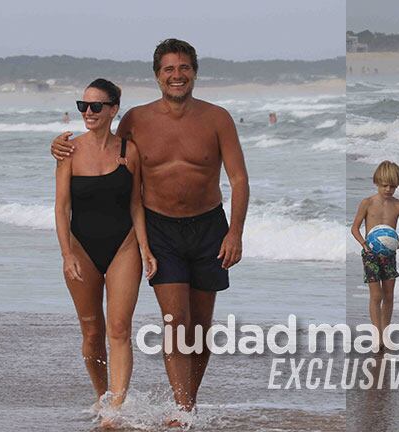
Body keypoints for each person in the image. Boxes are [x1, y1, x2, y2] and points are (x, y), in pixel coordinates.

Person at [51, 39, 249, 424]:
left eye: (184, 68)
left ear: (195, 71)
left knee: (200, 328)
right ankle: (181, 410)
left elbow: (239, 180)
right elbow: (102, 147)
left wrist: (235, 233)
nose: (177, 75)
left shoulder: (217, 118)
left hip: (210, 226)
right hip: (160, 228)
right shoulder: (137, 121)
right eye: (168, 69)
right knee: (175, 321)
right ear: (157, 75)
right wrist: (57, 148)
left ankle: (188, 401)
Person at [54, 78, 157, 427]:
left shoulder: (129, 151)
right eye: (84, 106)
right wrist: (67, 254)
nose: (88, 113)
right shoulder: (68, 150)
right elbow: (61, 208)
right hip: (81, 247)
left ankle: (115, 407)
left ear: (113, 109)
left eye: (96, 106)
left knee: (119, 328)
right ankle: (101, 396)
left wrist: (145, 248)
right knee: (91, 330)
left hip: (124, 245)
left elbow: (137, 204)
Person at [351, 161, 399, 347]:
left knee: (389, 295)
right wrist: (364, 244)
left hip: (389, 254)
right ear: (377, 182)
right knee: (376, 296)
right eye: (384, 185)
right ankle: (377, 335)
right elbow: (354, 228)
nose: (388, 189)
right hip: (370, 253)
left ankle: (386, 332)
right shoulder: (367, 203)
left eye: (393, 186)